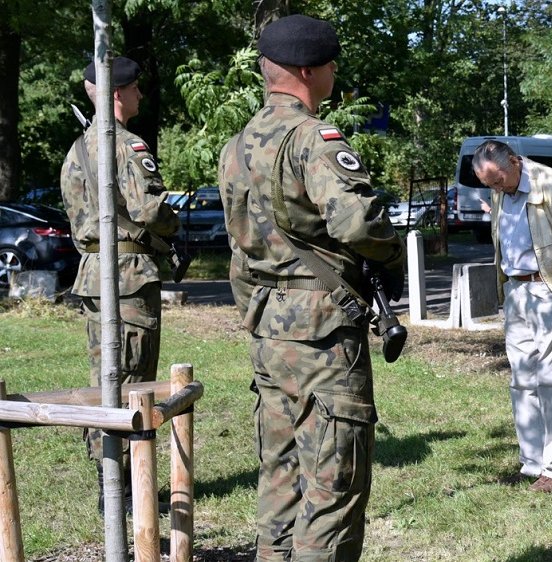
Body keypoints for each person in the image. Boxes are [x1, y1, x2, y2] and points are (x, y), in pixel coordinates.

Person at [217, 15, 405, 561]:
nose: (333, 74)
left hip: (266, 326)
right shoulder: (312, 138)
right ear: (307, 71)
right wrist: (391, 257)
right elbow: (356, 223)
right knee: (333, 485)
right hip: (321, 332)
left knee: (281, 478)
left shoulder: (236, 145)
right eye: (330, 66)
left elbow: (238, 246)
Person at [60, 56, 179, 514]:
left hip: (94, 274)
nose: (140, 96)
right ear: (117, 93)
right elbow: (150, 210)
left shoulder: (78, 149)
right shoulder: (127, 145)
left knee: (104, 377)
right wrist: (173, 223)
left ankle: (112, 478)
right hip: (129, 277)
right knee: (133, 379)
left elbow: (77, 219)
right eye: (134, 89)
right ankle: (126, 490)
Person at [472, 140, 552, 493]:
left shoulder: (548, 182)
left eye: (498, 180)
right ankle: (532, 462)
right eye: (489, 184)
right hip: (515, 291)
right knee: (522, 378)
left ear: (514, 161)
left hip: (548, 290)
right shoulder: (500, 186)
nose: (496, 188)